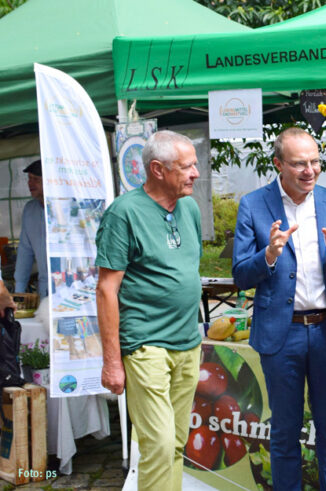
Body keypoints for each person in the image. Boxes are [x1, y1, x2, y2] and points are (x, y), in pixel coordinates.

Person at [232, 127, 326, 490]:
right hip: (281, 333)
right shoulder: (254, 205)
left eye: (315, 162)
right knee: (285, 432)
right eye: (299, 164)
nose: (310, 171)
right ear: (278, 164)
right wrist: (268, 255)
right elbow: (241, 275)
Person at [95, 130, 202, 490]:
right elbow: (107, 289)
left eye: (194, 164)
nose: (195, 173)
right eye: (186, 167)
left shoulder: (189, 207)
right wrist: (112, 361)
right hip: (145, 343)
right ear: (157, 169)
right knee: (157, 444)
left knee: (174, 443)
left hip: (188, 341)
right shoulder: (123, 214)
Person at [14, 160, 48, 297]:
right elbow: (24, 251)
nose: (30, 183)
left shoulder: (69, 206)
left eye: (36, 179)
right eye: (29, 179)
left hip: (72, 286)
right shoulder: (30, 209)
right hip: (45, 289)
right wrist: (19, 290)